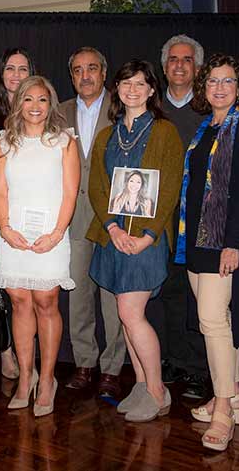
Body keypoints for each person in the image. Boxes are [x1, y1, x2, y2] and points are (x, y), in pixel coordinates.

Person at [174, 54, 239, 451]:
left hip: (223, 242)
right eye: (213, 81)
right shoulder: (204, 129)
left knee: (212, 321)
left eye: (228, 81)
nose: (220, 88)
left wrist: (231, 243)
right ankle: (235, 398)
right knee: (218, 323)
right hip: (194, 239)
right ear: (204, 87)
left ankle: (223, 408)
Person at [86, 60, 184, 423]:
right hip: (113, 239)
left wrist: (147, 236)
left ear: (151, 90)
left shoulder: (164, 132)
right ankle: (142, 384)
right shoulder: (106, 135)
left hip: (145, 242)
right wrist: (112, 228)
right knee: (127, 320)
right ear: (117, 88)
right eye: (126, 83)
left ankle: (158, 393)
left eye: (140, 84)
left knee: (131, 314)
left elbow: (171, 187)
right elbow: (98, 185)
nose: (132, 89)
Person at [0, 75, 79, 417]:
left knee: (46, 300)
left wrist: (57, 233)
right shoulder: (4, 142)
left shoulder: (64, 142)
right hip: (14, 235)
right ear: (18, 103)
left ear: (51, 103)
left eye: (42, 100)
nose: (35, 107)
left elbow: (70, 192)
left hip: (51, 235)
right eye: (28, 100)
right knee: (18, 300)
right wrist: (7, 230)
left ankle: (47, 380)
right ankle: (25, 377)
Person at [59, 46, 126, 399]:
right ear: (71, 76)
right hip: (75, 220)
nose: (85, 76)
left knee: (113, 299)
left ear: (104, 73)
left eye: (92, 69)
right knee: (79, 296)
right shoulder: (59, 112)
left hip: (112, 218)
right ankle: (84, 363)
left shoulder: (122, 107)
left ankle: (112, 369)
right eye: (78, 70)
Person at [152, 34, 209, 399]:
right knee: (170, 293)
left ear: (197, 68)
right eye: (173, 59)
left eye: (186, 59)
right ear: (164, 66)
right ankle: (175, 359)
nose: (178, 65)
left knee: (200, 299)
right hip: (162, 221)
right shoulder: (151, 109)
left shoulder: (209, 110)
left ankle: (201, 369)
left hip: (200, 220)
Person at [0, 47, 37, 381]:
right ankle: (7, 353)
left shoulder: (40, 110)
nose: (16, 74)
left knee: (32, 289)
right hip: (3, 210)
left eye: (23, 68)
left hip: (36, 211)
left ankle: (29, 356)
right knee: (7, 290)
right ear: (1, 73)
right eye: (11, 68)